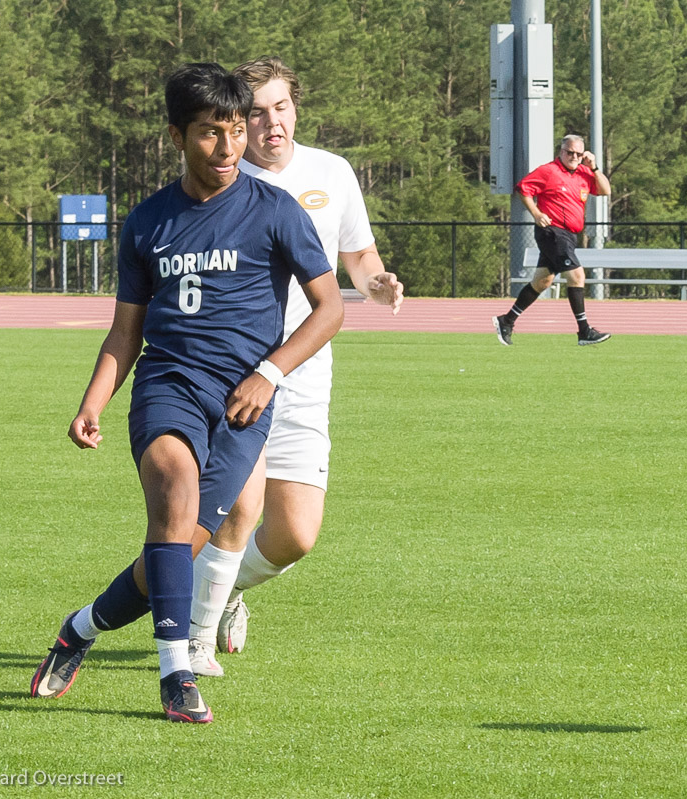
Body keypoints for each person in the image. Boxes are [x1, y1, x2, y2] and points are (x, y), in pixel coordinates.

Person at [28, 62, 345, 723]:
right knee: (172, 495)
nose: (227, 148)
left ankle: (79, 628)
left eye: (235, 130)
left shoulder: (276, 211)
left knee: (176, 553)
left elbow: (329, 310)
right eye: (209, 133)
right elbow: (125, 332)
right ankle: (177, 675)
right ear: (177, 136)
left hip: (243, 405)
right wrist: (93, 400)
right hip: (168, 386)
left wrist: (270, 372)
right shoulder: (147, 222)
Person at [185, 56, 404, 677]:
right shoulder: (220, 180)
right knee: (239, 508)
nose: (270, 123)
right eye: (255, 112)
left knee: (295, 536)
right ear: (236, 121)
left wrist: (377, 281)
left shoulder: (331, 172)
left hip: (305, 375)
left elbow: (356, 254)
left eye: (280, 107)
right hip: (236, 373)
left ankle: (225, 593)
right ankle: (194, 641)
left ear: (296, 109)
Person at [493, 134, 612, 346]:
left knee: (542, 281)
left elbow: (605, 190)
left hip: (569, 235)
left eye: (578, 153)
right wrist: (537, 214)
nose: (573, 156)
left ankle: (507, 320)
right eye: (569, 152)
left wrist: (594, 167)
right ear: (561, 151)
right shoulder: (549, 171)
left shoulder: (585, 173)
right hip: (553, 231)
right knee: (577, 276)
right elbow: (523, 188)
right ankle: (584, 331)